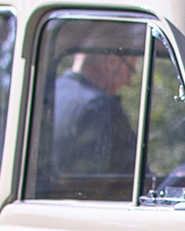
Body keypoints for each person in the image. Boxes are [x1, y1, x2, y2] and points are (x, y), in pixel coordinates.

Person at [52, 44, 138, 177]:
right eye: (130, 71)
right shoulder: (99, 107)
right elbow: (130, 181)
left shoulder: (49, 95)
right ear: (113, 62)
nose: (129, 82)